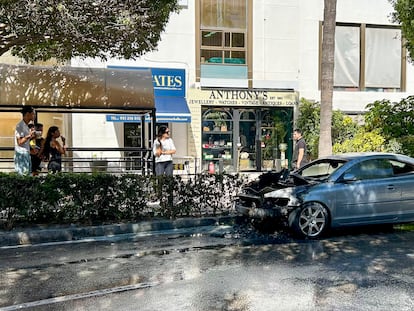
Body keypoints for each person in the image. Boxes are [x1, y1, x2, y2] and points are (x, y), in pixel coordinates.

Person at [14, 106, 36, 175]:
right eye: (33, 114)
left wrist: (31, 137)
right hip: (21, 154)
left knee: (27, 174)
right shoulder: (20, 126)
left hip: (26, 153)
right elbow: (20, 142)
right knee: (23, 176)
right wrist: (29, 135)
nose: (34, 116)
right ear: (27, 114)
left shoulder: (26, 126)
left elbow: (25, 141)